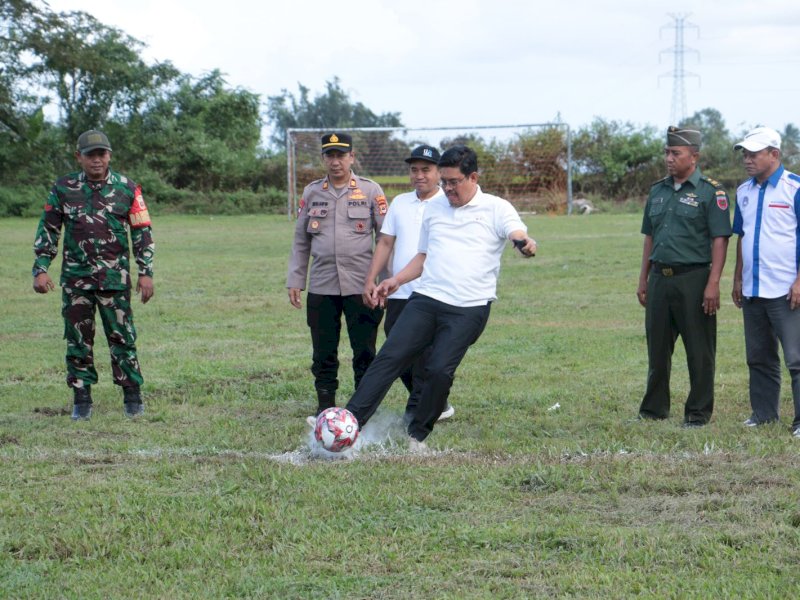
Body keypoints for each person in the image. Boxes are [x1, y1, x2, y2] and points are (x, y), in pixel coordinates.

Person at [343, 145, 536, 451]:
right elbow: (423, 256)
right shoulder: (435, 208)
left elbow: (518, 234)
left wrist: (524, 244)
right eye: (444, 182)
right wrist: (395, 279)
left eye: (453, 182)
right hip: (426, 299)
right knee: (389, 357)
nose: (446, 189)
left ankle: (417, 435)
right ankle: (349, 422)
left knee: (438, 370)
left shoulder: (497, 208)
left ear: (473, 177)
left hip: (469, 308)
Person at [32, 129, 154, 420]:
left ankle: (132, 399)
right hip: (76, 281)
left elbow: (142, 232)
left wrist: (145, 272)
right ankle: (81, 400)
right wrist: (40, 268)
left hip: (114, 280)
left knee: (122, 339)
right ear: (79, 157)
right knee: (77, 341)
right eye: (90, 155)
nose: (97, 160)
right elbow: (49, 229)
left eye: (102, 154)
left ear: (110, 155)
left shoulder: (128, 188)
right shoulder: (63, 189)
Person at [636, 126, 731, 427]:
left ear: (694, 156)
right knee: (658, 350)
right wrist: (643, 280)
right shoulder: (657, 191)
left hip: (694, 279)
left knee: (699, 351)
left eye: (675, 153)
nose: (668, 158)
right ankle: (653, 410)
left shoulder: (710, 191)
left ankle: (698, 413)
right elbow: (649, 238)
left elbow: (720, 239)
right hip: (660, 279)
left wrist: (713, 283)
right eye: (666, 152)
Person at [287, 132, 387, 417]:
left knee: (365, 350)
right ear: (323, 159)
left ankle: (363, 409)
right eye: (329, 155)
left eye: (341, 155)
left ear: (352, 157)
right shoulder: (312, 192)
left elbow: (386, 238)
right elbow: (301, 240)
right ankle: (325, 406)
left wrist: (385, 283)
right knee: (323, 351)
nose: (335, 162)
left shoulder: (370, 190)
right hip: (322, 284)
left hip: (362, 285)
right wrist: (296, 279)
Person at [362, 144, 455, 424]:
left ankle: (422, 409)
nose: (419, 175)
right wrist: (371, 278)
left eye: (426, 170)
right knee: (396, 346)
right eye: (414, 170)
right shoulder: (400, 202)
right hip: (400, 289)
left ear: (439, 172)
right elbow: (386, 241)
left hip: (435, 290)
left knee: (427, 353)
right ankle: (435, 402)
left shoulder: (450, 202)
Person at [730, 127, 800, 437]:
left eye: (754, 154)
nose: (747, 159)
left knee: (796, 359)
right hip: (753, 288)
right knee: (758, 356)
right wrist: (736, 279)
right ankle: (764, 414)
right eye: (744, 154)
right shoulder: (743, 192)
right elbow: (741, 237)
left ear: (774, 154)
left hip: (787, 290)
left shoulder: (794, 188)